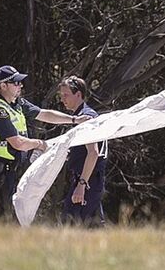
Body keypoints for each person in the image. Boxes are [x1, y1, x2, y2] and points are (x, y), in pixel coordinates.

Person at [0, 65, 88, 218]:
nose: (20, 85)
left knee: (7, 217)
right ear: (3, 86)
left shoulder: (16, 103)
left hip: (8, 171)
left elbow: (44, 114)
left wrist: (74, 120)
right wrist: (39, 144)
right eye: (16, 83)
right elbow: (18, 143)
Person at [58, 75, 106, 226]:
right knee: (90, 226)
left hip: (88, 181)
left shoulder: (87, 118)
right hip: (86, 180)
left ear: (78, 94)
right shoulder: (79, 117)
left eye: (66, 95)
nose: (62, 99)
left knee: (73, 225)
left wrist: (82, 185)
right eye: (61, 96)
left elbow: (93, 152)